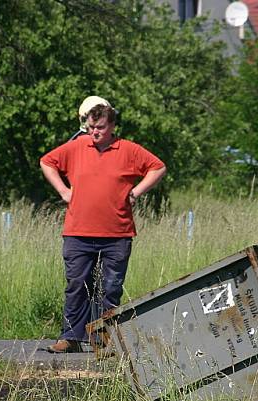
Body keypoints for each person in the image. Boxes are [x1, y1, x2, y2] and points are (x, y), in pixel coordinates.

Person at [40, 103, 166, 353]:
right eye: (90, 127)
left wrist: (137, 192)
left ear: (112, 126)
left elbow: (158, 167)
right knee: (77, 283)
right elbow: (47, 162)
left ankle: (104, 340)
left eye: (99, 127)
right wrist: (64, 191)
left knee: (110, 287)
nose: (94, 132)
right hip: (78, 232)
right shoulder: (77, 147)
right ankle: (71, 338)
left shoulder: (128, 150)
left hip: (116, 234)